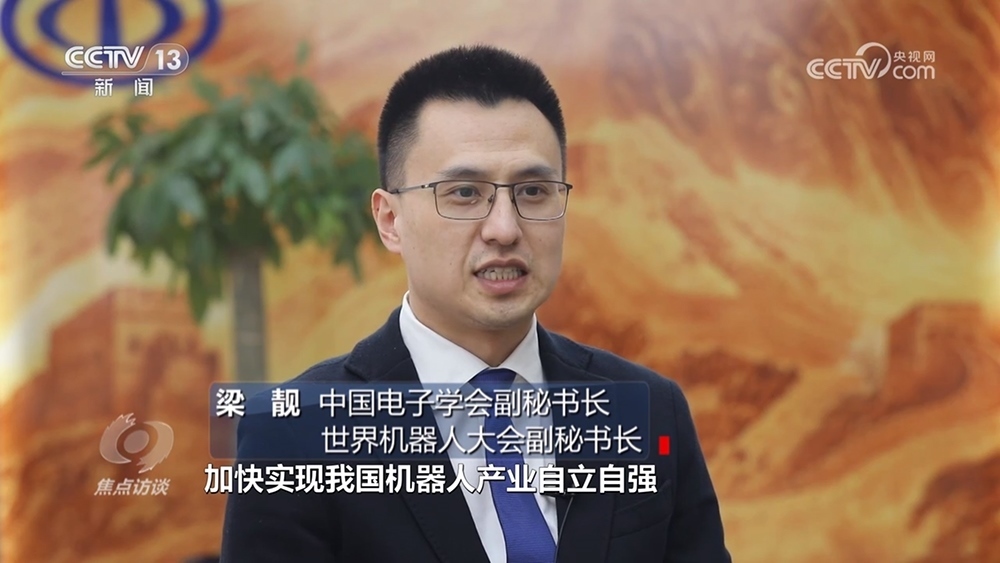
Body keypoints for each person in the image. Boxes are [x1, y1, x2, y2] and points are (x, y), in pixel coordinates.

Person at [221, 44, 731, 562]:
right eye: (464, 193)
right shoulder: (294, 432)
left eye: (533, 192)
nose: (504, 229)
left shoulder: (648, 410)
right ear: (390, 220)